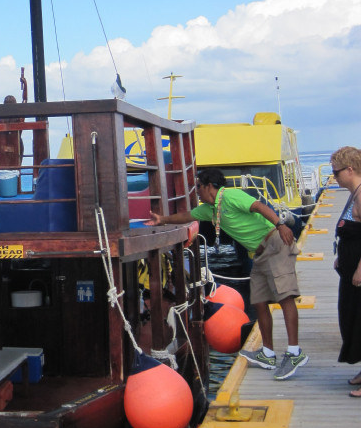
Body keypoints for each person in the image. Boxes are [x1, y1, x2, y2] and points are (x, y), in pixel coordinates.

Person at [148, 167, 308, 380]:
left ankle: (295, 352)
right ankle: (268, 354)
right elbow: (187, 216)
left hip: (276, 244)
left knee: (285, 298)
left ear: (209, 186)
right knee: (259, 301)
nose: (197, 192)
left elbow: (259, 206)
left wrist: (280, 225)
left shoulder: (231, 196)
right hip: (258, 253)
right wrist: (162, 220)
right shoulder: (210, 209)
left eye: (198, 187)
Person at [330, 148, 361, 395]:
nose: (334, 177)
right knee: (352, 319)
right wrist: (342, 256)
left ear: (350, 169)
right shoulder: (353, 194)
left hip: (359, 275)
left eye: (336, 172)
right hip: (349, 272)